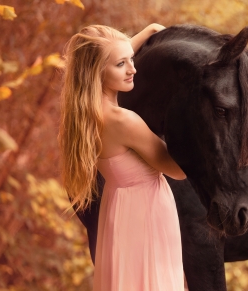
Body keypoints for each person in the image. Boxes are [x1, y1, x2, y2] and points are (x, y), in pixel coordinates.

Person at [58, 24, 187, 291]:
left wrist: (147, 32)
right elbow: (178, 170)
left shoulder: (84, 115)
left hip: (118, 210)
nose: (133, 69)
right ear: (96, 71)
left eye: (132, 59)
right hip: (146, 214)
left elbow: (96, 57)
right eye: (122, 64)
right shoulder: (124, 121)